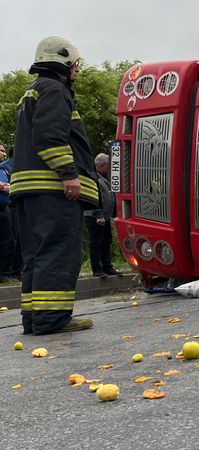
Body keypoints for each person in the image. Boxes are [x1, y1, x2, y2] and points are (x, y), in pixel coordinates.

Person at [10, 36, 100, 335]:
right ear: (63, 61)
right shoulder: (54, 89)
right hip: (53, 191)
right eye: (74, 64)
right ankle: (53, 319)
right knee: (59, 251)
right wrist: (68, 174)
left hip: (30, 191)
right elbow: (50, 136)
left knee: (36, 254)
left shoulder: (31, 92)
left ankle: (34, 318)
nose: (76, 70)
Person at [84, 153, 119, 277]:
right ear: (102, 165)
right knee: (96, 242)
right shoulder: (94, 178)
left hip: (105, 216)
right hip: (95, 216)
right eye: (107, 166)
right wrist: (99, 215)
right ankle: (97, 269)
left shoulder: (103, 178)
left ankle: (107, 266)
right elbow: (96, 198)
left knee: (106, 241)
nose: (109, 169)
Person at [0, 143, 16, 282]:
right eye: (1, 150)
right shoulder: (5, 167)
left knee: (7, 241)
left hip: (6, 209)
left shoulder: (2, 171)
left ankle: (5, 272)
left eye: (4, 150)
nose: (3, 153)